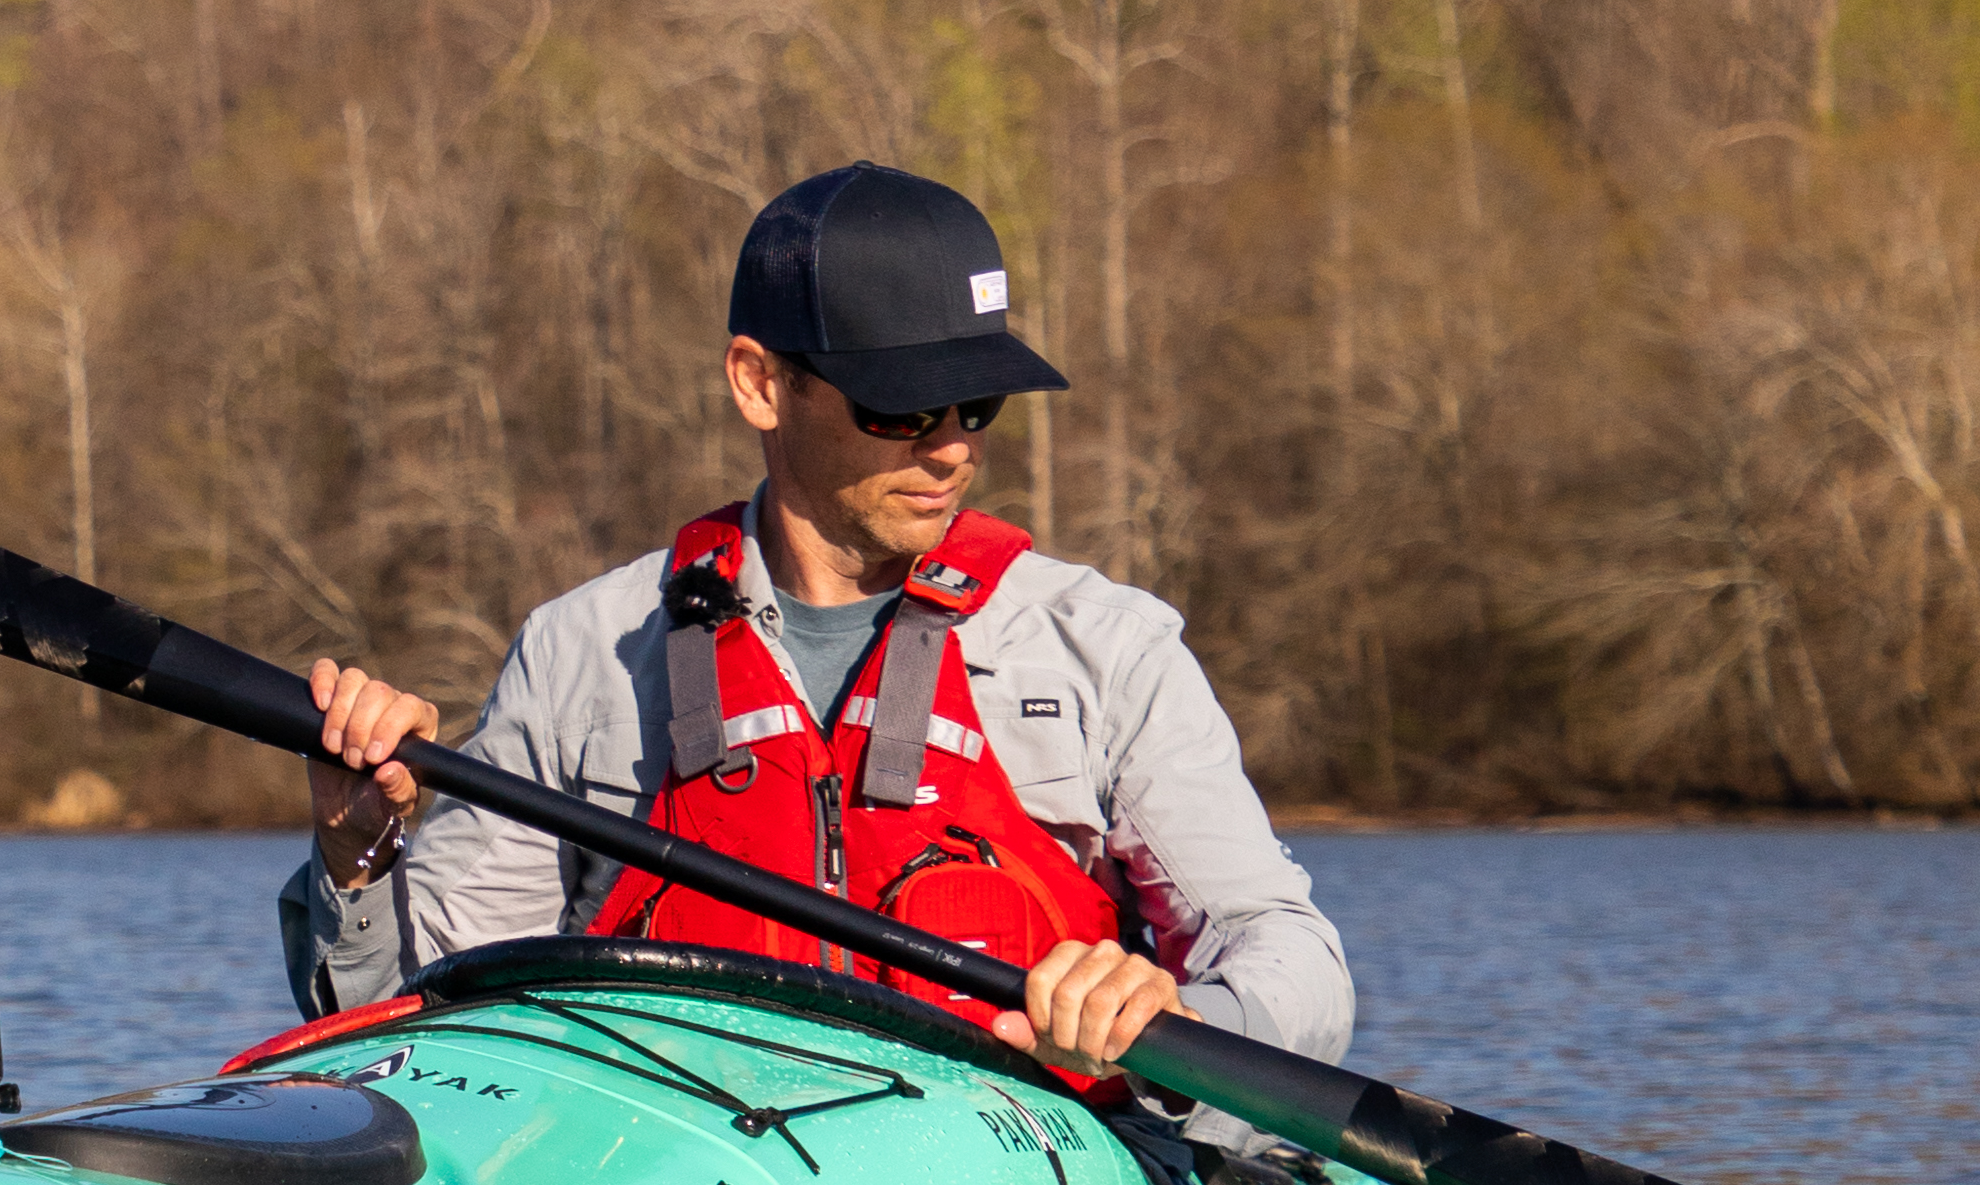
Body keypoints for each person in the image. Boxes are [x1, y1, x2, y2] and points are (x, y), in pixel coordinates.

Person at [276, 160, 1347, 1110]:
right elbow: (423, 1028)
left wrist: (1174, 1022)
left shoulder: (1104, 646)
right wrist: (356, 856)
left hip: (1020, 1165)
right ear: (758, 382)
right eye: (900, 409)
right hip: (681, 1167)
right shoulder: (580, 653)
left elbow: (1290, 956)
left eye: (975, 404)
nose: (949, 451)